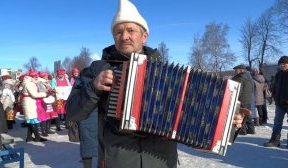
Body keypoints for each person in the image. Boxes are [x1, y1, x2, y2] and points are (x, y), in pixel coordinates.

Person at [66, 0, 244, 168]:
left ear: (144, 36)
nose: (124, 36)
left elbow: (196, 112)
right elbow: (72, 113)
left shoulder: (168, 74)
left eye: (130, 30)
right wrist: (93, 88)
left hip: (161, 160)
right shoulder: (97, 69)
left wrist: (229, 123)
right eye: (118, 32)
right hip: (118, 160)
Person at [263, 56, 288, 147]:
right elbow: (274, 88)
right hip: (279, 103)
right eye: (281, 64)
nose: (283, 65)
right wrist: (274, 96)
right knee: (277, 123)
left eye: (285, 64)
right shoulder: (278, 75)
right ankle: (274, 141)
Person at [21, 69, 47, 142]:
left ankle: (29, 137)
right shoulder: (29, 83)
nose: (36, 77)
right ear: (30, 77)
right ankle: (37, 137)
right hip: (30, 103)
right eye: (34, 76)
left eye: (36, 76)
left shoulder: (29, 82)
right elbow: (34, 94)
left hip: (29, 103)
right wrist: (45, 94)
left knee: (31, 121)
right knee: (33, 121)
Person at [232, 64, 255, 135]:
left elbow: (238, 90)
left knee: (241, 115)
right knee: (248, 115)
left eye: (236, 70)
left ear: (241, 70)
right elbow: (253, 89)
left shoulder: (239, 78)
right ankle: (251, 129)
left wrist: (235, 98)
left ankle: (242, 131)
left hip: (241, 100)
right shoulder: (250, 78)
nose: (235, 72)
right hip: (248, 99)